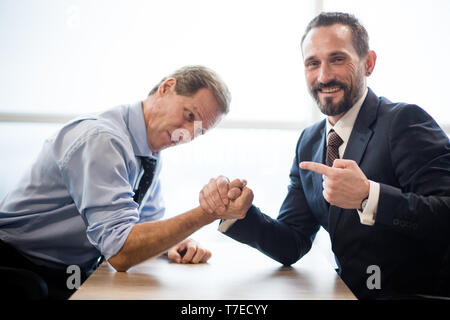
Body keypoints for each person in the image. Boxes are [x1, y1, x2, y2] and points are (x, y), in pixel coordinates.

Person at [199, 13, 450, 299]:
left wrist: (369, 196)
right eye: (313, 63)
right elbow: (292, 241)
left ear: (368, 63)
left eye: (338, 59)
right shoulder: (309, 142)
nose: (324, 76)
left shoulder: (404, 122)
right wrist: (241, 214)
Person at [0, 65, 254, 299]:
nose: (186, 134)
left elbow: (146, 223)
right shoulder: (102, 140)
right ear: (166, 88)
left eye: (198, 131)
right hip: (21, 266)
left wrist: (174, 244)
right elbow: (121, 251)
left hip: (70, 273)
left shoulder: (149, 153)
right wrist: (208, 213)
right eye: (189, 116)